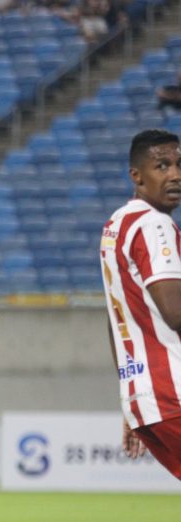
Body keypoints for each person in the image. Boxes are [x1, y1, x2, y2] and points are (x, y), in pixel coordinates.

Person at [100, 129, 181, 481]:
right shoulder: (154, 225)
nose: (175, 174)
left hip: (148, 399)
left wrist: (134, 400)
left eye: (179, 165)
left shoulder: (116, 224)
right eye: (161, 166)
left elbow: (115, 318)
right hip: (173, 392)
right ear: (137, 176)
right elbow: (175, 312)